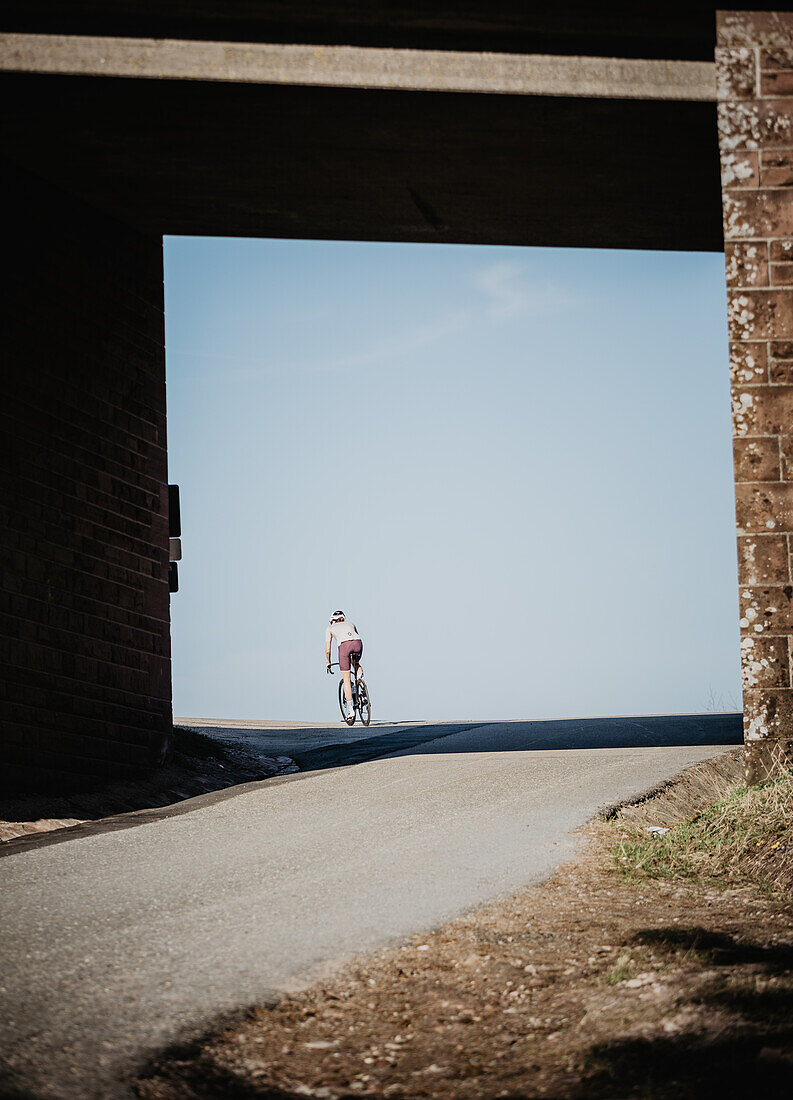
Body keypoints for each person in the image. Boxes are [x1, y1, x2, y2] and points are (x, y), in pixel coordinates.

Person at [325, 611, 363, 722]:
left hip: (344, 646)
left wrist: (328, 662)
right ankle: (360, 677)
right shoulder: (351, 623)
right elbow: (354, 637)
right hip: (358, 643)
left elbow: (328, 650)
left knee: (346, 679)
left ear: (332, 621)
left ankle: (351, 711)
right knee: (355, 662)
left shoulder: (330, 628)